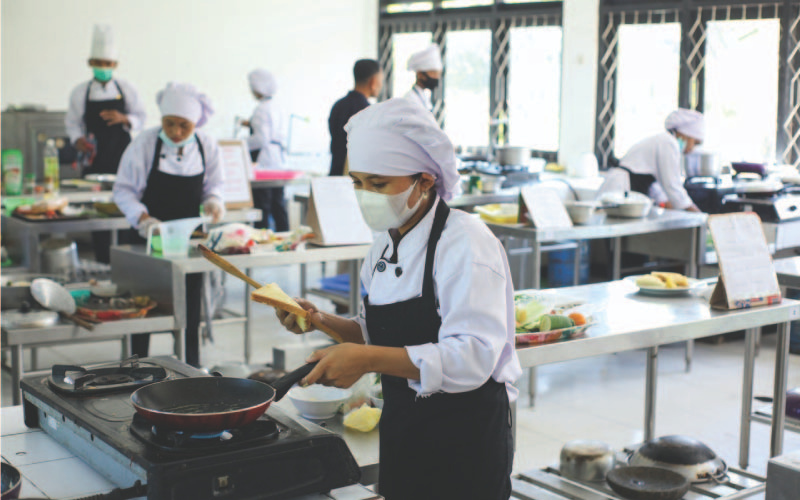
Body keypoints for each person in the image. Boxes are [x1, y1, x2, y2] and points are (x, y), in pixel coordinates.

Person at [276, 98, 521, 500]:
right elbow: (378, 331)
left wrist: (367, 359)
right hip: (405, 428)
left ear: (424, 181)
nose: (364, 195)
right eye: (357, 182)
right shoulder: (383, 243)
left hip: (466, 440)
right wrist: (321, 320)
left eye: (378, 184)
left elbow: (473, 357)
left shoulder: (465, 244)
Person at [113, 82, 225, 367]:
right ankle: (135, 369)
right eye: (170, 124)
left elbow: (215, 185)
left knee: (189, 309)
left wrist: (213, 202)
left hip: (187, 242)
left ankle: (191, 368)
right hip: (147, 237)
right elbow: (123, 190)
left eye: (184, 126)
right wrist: (142, 218)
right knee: (143, 309)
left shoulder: (206, 145)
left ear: (196, 122)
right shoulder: (145, 143)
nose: (176, 132)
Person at [65, 24, 146, 263]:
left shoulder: (127, 89)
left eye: (108, 64)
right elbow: (73, 122)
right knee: (98, 212)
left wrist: (124, 119)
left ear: (115, 66)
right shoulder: (80, 92)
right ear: (90, 62)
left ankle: (127, 260)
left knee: (126, 207)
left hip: (123, 158)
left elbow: (141, 117)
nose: (103, 68)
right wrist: (77, 140)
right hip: (95, 161)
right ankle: (102, 261)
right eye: (99, 63)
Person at [613, 109, 704, 212]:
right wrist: (698, 214)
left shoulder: (664, 141)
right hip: (620, 190)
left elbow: (658, 186)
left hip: (628, 190)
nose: (692, 149)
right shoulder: (668, 143)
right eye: (695, 143)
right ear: (685, 134)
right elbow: (673, 186)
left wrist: (669, 203)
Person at [243, 69, 289, 231]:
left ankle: (260, 238)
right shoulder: (276, 106)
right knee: (279, 204)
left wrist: (241, 144)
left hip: (265, 161)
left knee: (263, 205)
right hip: (278, 160)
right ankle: (286, 237)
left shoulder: (261, 109)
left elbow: (261, 138)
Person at [328, 59, 383, 176]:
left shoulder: (338, 106)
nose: (381, 85)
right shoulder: (368, 112)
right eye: (381, 81)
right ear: (373, 82)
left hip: (334, 176)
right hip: (354, 181)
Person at [404, 44, 442, 112]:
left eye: (438, 74)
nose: (437, 78)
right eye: (433, 73)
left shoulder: (424, 97)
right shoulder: (410, 99)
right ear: (420, 74)